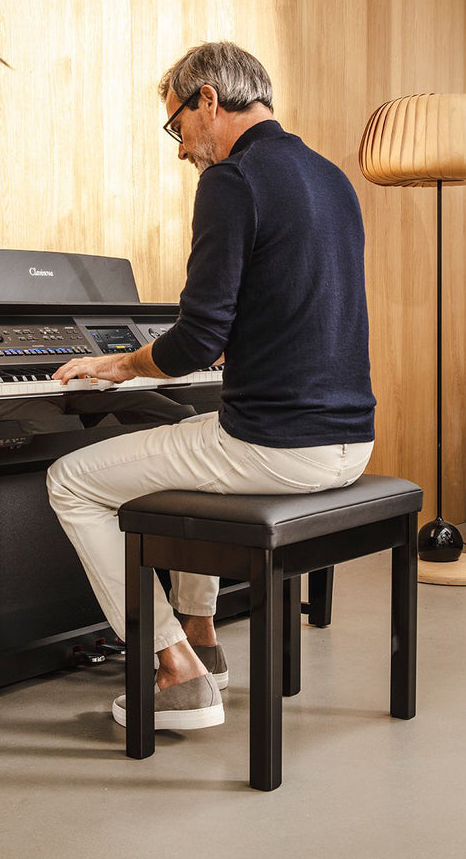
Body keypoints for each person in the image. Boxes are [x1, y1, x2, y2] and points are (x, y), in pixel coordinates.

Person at [45, 42, 376, 730]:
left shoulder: (232, 179)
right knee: (184, 443)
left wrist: (117, 365)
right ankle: (200, 631)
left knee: (70, 480)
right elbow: (300, 304)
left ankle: (173, 668)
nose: (179, 149)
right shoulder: (330, 177)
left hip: (279, 446)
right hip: (351, 440)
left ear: (208, 100)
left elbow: (194, 342)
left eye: (177, 126)